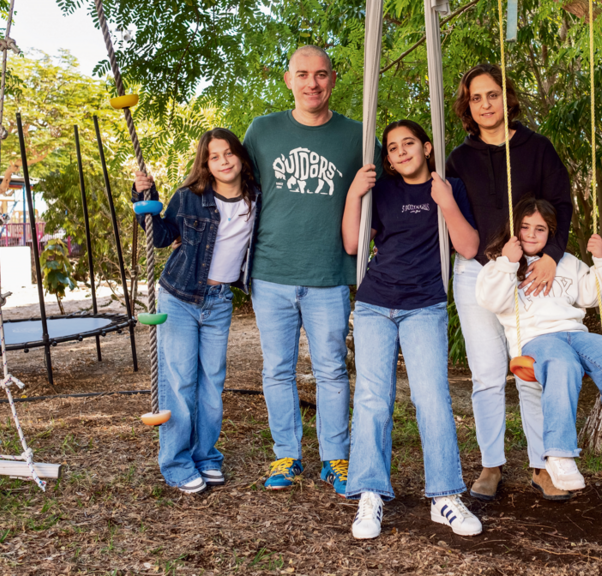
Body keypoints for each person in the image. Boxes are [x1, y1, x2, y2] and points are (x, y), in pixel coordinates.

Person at [242, 45, 381, 495]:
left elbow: (388, 196)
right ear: (288, 80)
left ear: (333, 79)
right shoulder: (262, 132)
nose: (312, 83)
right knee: (277, 370)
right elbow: (231, 187)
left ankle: (335, 457)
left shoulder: (357, 137)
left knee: (332, 370)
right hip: (271, 271)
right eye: (302, 74)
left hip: (328, 274)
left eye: (321, 74)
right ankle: (286, 454)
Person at [340, 120, 482, 539]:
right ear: (387, 157)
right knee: (372, 399)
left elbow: (468, 247)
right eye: (392, 147)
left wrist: (447, 203)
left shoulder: (449, 187)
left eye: (409, 143)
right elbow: (353, 245)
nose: (401, 151)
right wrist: (354, 194)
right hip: (375, 304)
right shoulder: (382, 191)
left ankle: (444, 496)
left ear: (427, 147)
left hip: (424, 305)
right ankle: (370, 493)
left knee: (432, 397)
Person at [446, 64, 575, 500]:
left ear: (508, 97)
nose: (485, 104)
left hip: (530, 274)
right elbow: (452, 218)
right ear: (467, 106)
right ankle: (491, 465)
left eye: (493, 94)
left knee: (530, 372)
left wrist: (552, 256)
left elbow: (561, 204)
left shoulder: (537, 148)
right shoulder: (459, 159)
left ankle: (542, 466)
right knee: (485, 374)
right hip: (477, 273)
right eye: (476, 98)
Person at [476, 198, 602, 491]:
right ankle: (559, 455)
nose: (532, 234)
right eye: (525, 227)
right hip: (537, 339)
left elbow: (592, 295)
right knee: (563, 364)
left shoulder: (567, 262)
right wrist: (509, 263)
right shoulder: (499, 266)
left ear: (550, 232)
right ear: (514, 229)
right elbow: (492, 301)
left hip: (576, 334)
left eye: (540, 229)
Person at [132, 128, 260, 494]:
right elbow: (161, 236)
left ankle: (205, 455)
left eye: (228, 153)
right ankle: (176, 462)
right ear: (205, 163)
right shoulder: (190, 197)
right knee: (181, 382)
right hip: (179, 297)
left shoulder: (257, 198)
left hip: (219, 302)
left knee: (212, 384)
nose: (223, 161)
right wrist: (145, 197)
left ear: (241, 156)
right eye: (213, 156)